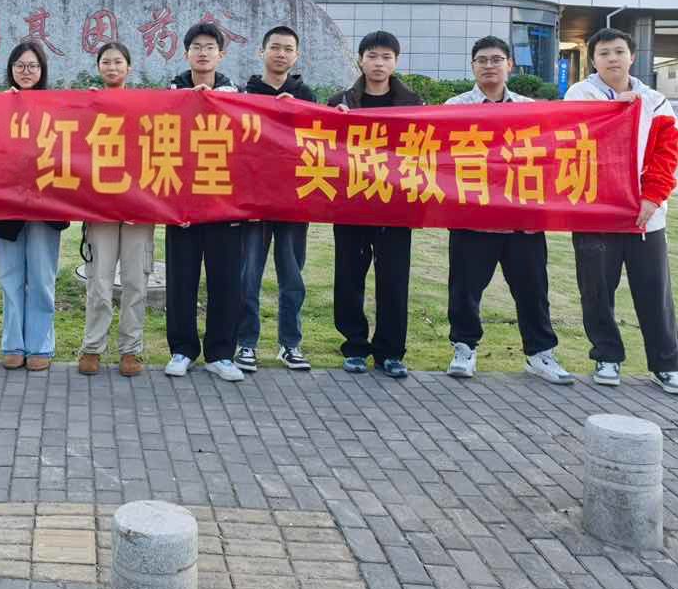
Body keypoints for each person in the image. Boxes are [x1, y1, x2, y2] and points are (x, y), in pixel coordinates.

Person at [565, 27, 678, 395]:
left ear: (632, 56)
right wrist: (618, 108)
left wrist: (653, 197)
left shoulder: (656, 101)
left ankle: (666, 365)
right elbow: (575, 144)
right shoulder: (579, 95)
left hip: (646, 215)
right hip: (596, 213)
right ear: (593, 60)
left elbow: (667, 153)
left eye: (619, 51)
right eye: (604, 53)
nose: (612, 58)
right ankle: (607, 356)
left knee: (654, 291)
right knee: (596, 290)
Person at [443, 37, 572, 385]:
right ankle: (464, 348)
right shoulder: (453, 108)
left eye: (497, 59)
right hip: (472, 218)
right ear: (473, 66)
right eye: (482, 60)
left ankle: (540, 353)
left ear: (510, 65)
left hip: (522, 220)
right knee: (464, 291)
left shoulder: (531, 109)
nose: (489, 66)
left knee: (533, 290)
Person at [327, 30, 423, 379]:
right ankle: (354, 346)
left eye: (386, 57)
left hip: (395, 208)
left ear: (396, 62)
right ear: (360, 60)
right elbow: (323, 148)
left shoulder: (413, 104)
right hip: (351, 204)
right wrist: (335, 121)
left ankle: (390, 352)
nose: (378, 63)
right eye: (372, 56)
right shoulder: (341, 101)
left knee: (394, 280)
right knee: (349, 278)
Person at [163, 22, 244, 383]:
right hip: (181, 202)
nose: (203, 52)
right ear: (186, 54)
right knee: (181, 279)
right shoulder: (169, 96)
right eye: (196, 47)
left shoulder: (238, 97)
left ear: (221, 54)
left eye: (210, 47)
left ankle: (221, 354)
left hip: (223, 201)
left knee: (225, 280)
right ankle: (182, 350)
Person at [237, 25, 316, 374]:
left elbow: (321, 141)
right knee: (247, 276)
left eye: (288, 49)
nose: (281, 54)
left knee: (292, 278)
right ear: (262, 51)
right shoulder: (244, 95)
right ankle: (246, 342)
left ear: (296, 56)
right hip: (253, 201)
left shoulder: (307, 96)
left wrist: (297, 111)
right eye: (275, 47)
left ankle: (290, 343)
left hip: (294, 201)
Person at [0, 40, 68, 371]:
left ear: (42, 70)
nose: (26, 71)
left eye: (33, 66)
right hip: (7, 205)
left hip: (46, 205)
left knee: (41, 277)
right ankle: (13, 343)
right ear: (11, 69)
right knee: (10, 277)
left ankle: (40, 345)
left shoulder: (58, 106)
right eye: (20, 65)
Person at [78, 42, 152, 377]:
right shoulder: (87, 104)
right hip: (100, 206)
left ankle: (131, 349)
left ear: (129, 68)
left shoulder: (145, 105)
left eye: (118, 62)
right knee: (100, 282)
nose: (112, 67)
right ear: (98, 67)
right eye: (106, 62)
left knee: (136, 281)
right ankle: (92, 347)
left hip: (139, 205)